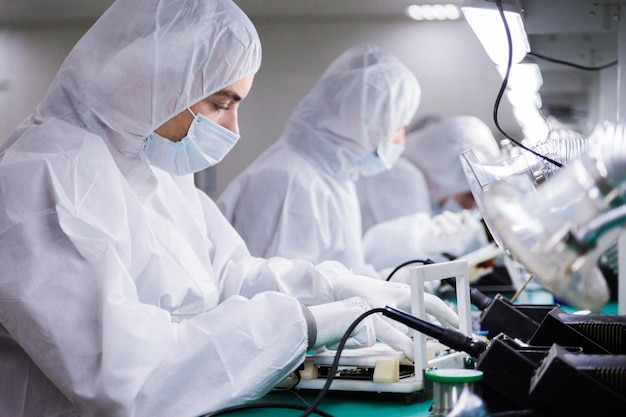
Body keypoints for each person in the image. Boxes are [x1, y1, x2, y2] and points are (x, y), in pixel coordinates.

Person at [0, 1, 458, 416]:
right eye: (221, 104)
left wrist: (334, 288)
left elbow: (228, 276)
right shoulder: (44, 177)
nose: (233, 127)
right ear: (157, 82)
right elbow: (128, 382)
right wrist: (308, 323)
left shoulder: (159, 172)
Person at [217, 43, 421, 279]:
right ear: (366, 121)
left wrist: (405, 285)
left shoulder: (335, 180)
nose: (400, 141)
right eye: (399, 127)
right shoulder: (288, 181)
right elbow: (274, 295)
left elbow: (344, 275)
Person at [356, 115, 501, 271]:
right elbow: (416, 259)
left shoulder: (419, 175)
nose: (468, 207)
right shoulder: (401, 177)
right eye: (468, 195)